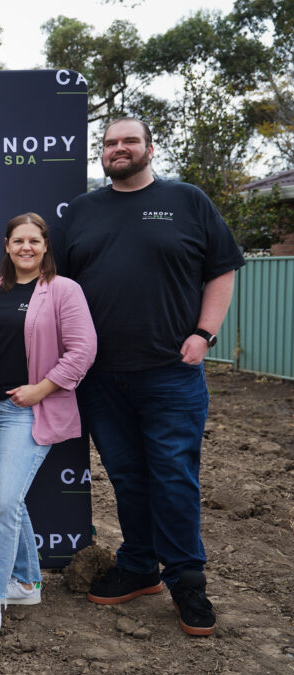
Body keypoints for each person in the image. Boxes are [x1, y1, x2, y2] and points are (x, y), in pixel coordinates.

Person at [52, 117, 245, 637]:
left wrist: (205, 334)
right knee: (128, 477)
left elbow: (222, 269)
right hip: (100, 377)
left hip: (170, 374)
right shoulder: (81, 211)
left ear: (149, 148)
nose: (119, 149)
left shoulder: (187, 200)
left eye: (128, 141)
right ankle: (138, 566)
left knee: (173, 476)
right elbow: (57, 287)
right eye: (110, 143)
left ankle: (187, 581)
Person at [0, 213, 96, 638]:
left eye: (34, 241)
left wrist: (40, 389)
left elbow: (82, 352)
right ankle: (25, 582)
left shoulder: (64, 291)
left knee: (4, 502)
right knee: (3, 499)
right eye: (18, 240)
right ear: (6, 245)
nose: (26, 247)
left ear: (45, 246)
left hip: (24, 411)